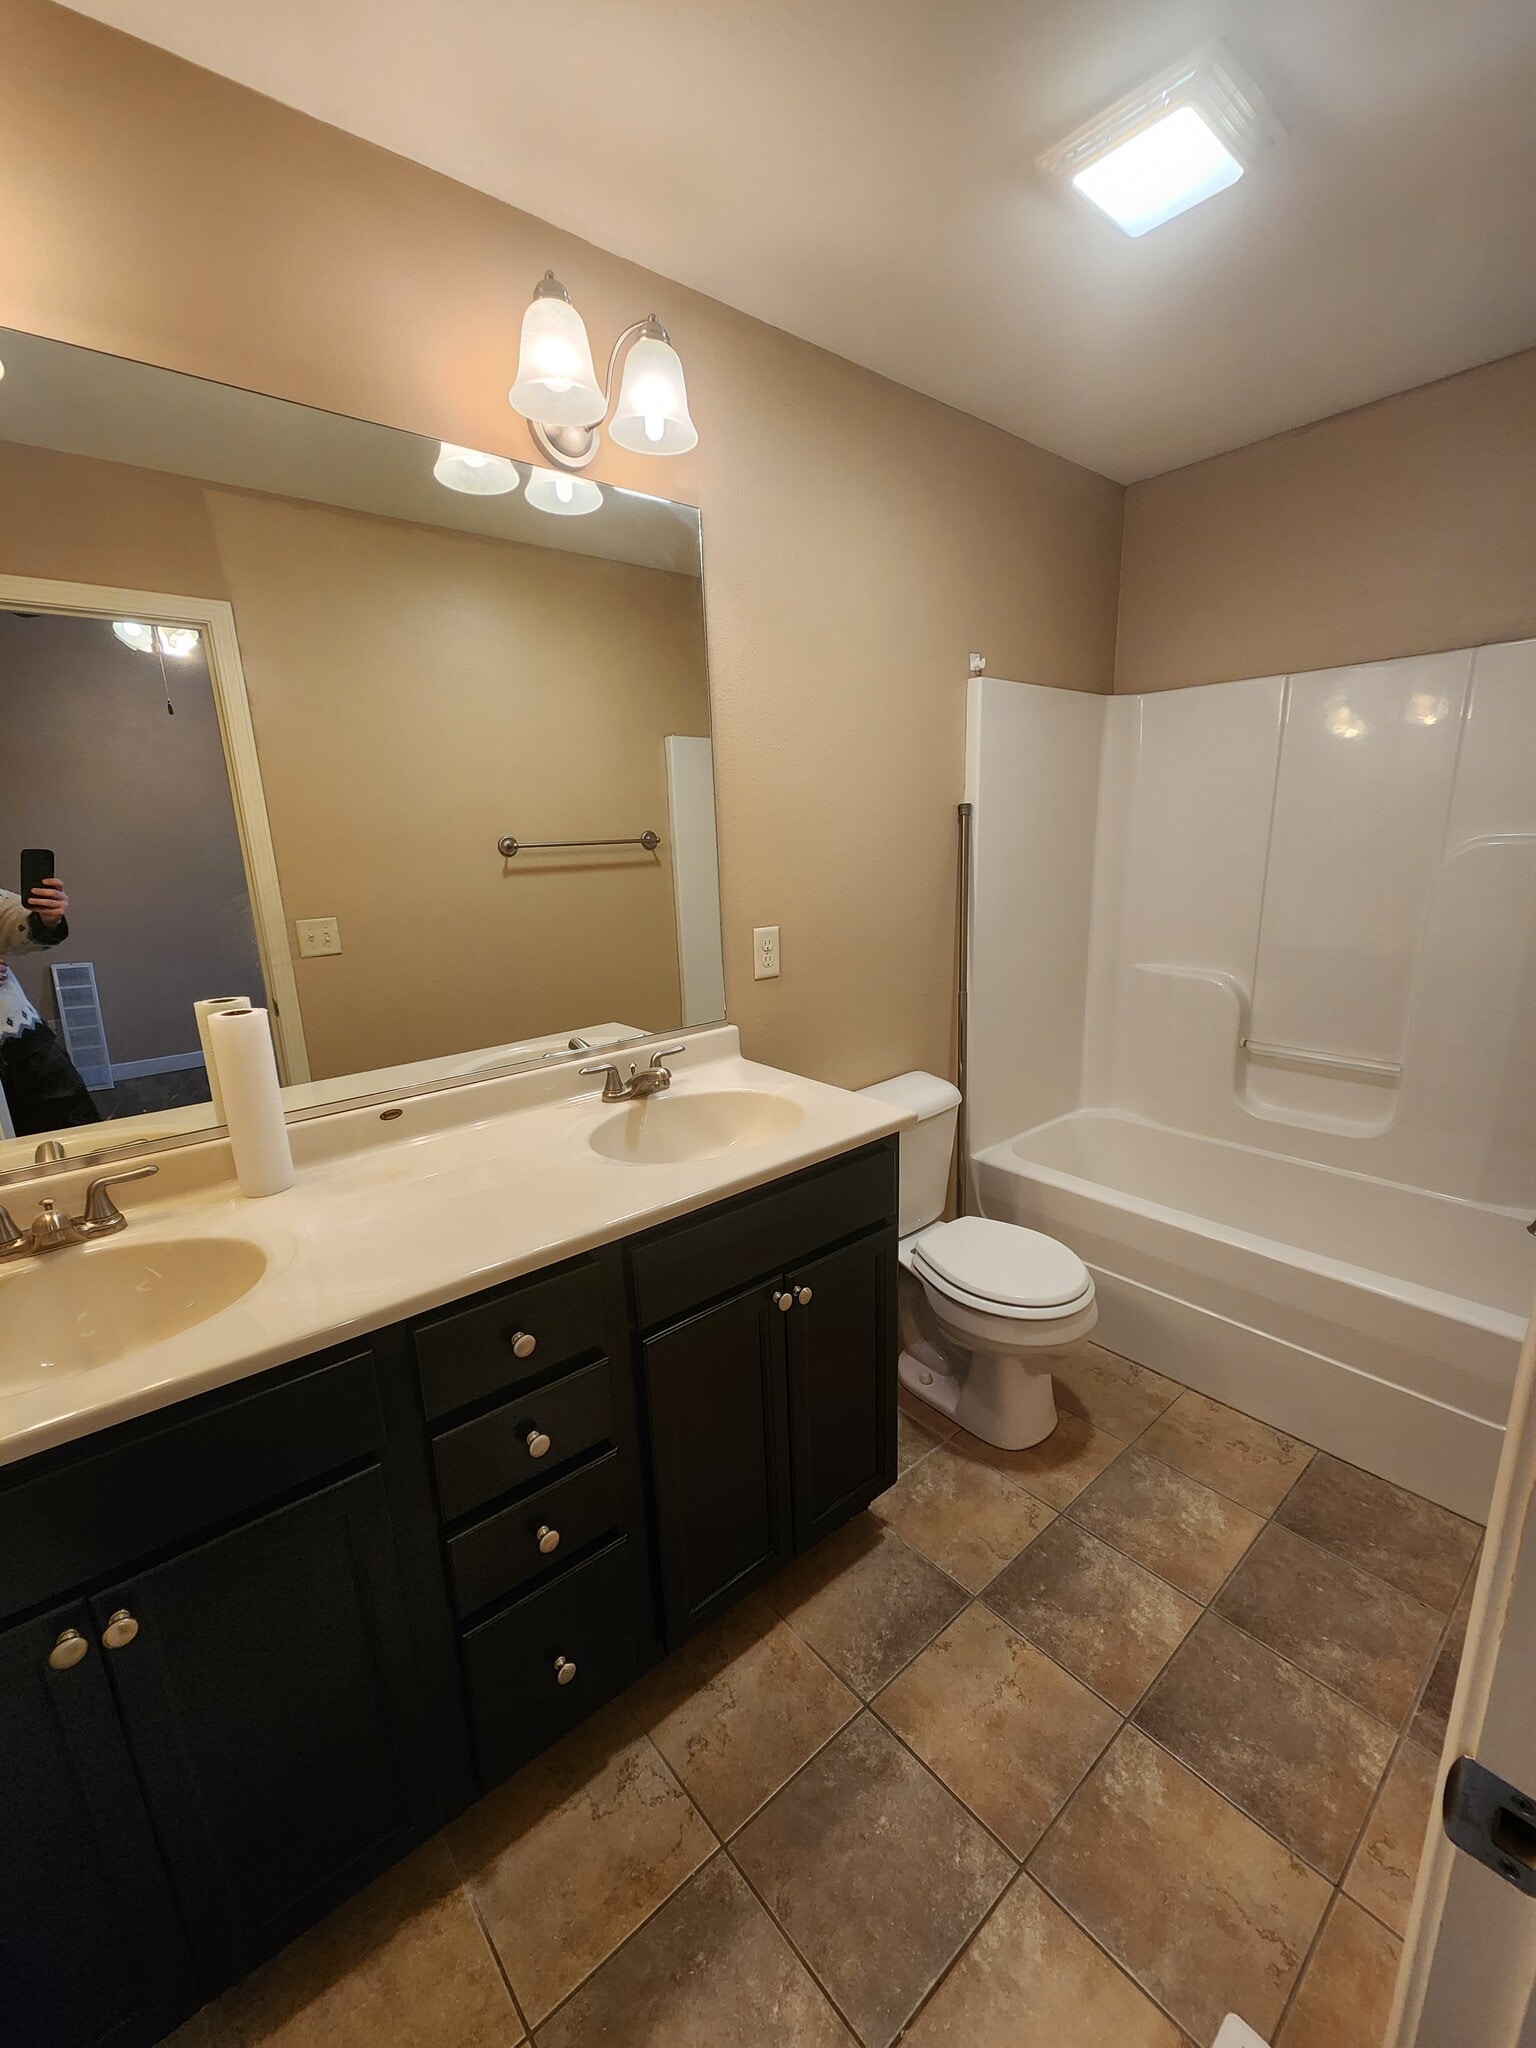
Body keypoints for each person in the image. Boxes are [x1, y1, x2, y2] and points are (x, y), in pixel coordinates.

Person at [0, 875, 103, 1136]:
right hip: (20, 1034)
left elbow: (8, 914)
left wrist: (43, 918)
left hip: (22, 1036)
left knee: (83, 1144)